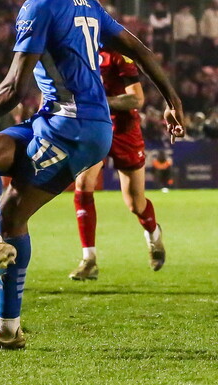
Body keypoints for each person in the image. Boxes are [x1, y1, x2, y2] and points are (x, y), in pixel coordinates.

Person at [0, 0, 183, 350]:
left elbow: (14, 87)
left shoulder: (38, 5)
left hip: (72, 124)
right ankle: (0, 294)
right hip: (63, 119)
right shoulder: (86, 2)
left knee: (4, 201)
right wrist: (173, 100)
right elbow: (141, 49)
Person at [69, 49, 166, 281]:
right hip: (94, 127)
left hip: (124, 130)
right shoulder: (78, 48)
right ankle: (89, 259)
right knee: (83, 184)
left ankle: (153, 234)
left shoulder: (118, 54)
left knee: (135, 203)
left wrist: (100, 102)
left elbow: (136, 99)